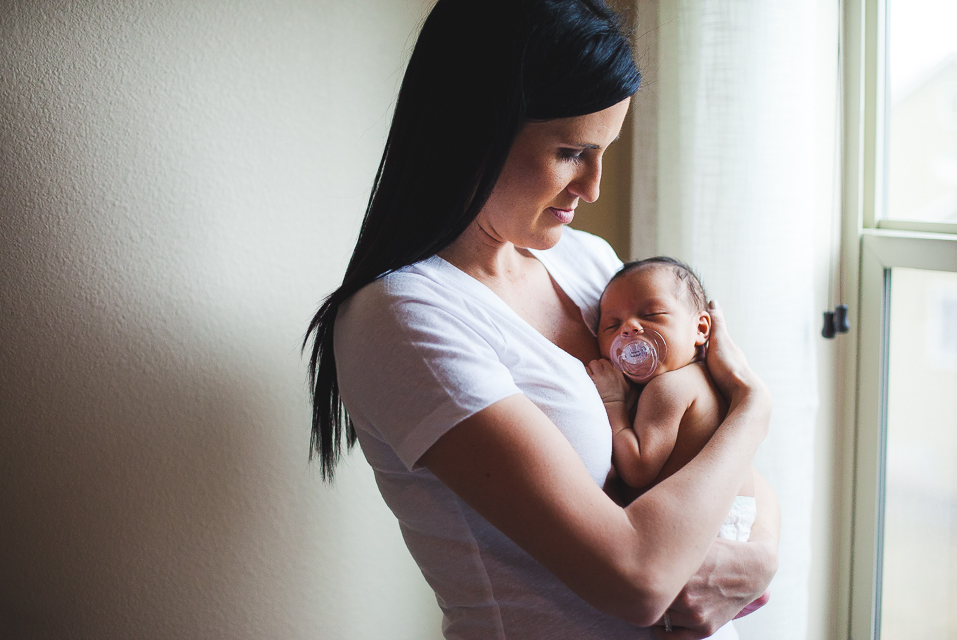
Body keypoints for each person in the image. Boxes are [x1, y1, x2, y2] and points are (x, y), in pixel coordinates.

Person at [305, 1, 778, 638]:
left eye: (604, 150)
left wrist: (757, 559)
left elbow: (717, 458)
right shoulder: (404, 317)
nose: (593, 188)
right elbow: (636, 581)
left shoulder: (593, 266)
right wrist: (755, 408)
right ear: (475, 130)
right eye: (570, 152)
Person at [586, 256, 757, 541]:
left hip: (701, 528)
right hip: (730, 519)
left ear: (701, 329)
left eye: (652, 315)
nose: (629, 328)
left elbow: (637, 467)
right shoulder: (708, 379)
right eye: (611, 326)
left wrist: (613, 402)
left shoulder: (667, 388)